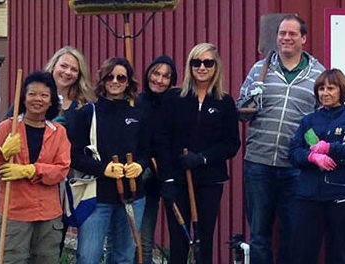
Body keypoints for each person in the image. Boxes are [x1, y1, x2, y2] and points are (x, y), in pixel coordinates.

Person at [236, 14, 326, 264]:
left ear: (303, 38)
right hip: (258, 163)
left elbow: (321, 121)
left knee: (292, 234)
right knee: (259, 236)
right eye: (282, 33)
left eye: (292, 34)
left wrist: (312, 146)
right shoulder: (260, 69)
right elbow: (241, 109)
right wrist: (251, 99)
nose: (286, 38)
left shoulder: (318, 74)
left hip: (295, 167)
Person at [158, 43, 241, 264]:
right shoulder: (174, 98)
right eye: (196, 62)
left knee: (204, 240)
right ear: (189, 66)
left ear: (216, 66)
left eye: (208, 63)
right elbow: (162, 140)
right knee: (179, 241)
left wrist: (203, 158)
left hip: (209, 182)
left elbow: (231, 143)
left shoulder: (224, 102)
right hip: (177, 181)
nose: (202, 67)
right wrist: (167, 179)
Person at [0, 71, 71, 264]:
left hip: (48, 214)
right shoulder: (8, 127)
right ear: (23, 98)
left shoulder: (58, 132)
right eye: (32, 94)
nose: (38, 99)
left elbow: (61, 170)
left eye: (44, 95)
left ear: (51, 101)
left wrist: (30, 170)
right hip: (15, 213)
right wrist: (2, 153)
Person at [68, 57, 151, 264]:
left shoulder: (138, 113)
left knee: (124, 257)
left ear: (128, 81)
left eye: (121, 77)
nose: (115, 81)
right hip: (97, 197)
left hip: (132, 196)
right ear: (102, 80)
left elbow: (147, 150)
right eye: (109, 77)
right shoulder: (88, 113)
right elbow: (73, 155)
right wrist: (103, 169)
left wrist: (140, 165)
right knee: (88, 257)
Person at [288, 69, 345, 264]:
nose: (325, 93)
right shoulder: (309, 120)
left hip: (343, 197)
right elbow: (293, 153)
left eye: (331, 88)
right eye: (321, 89)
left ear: (341, 90)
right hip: (309, 197)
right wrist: (311, 157)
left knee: (340, 255)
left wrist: (330, 148)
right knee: (303, 255)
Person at [138, 54, 178, 262]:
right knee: (126, 237)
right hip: (133, 176)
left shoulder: (173, 106)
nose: (159, 80)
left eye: (165, 76)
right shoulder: (136, 102)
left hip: (157, 179)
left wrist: (167, 177)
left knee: (145, 240)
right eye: (156, 73)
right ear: (148, 74)